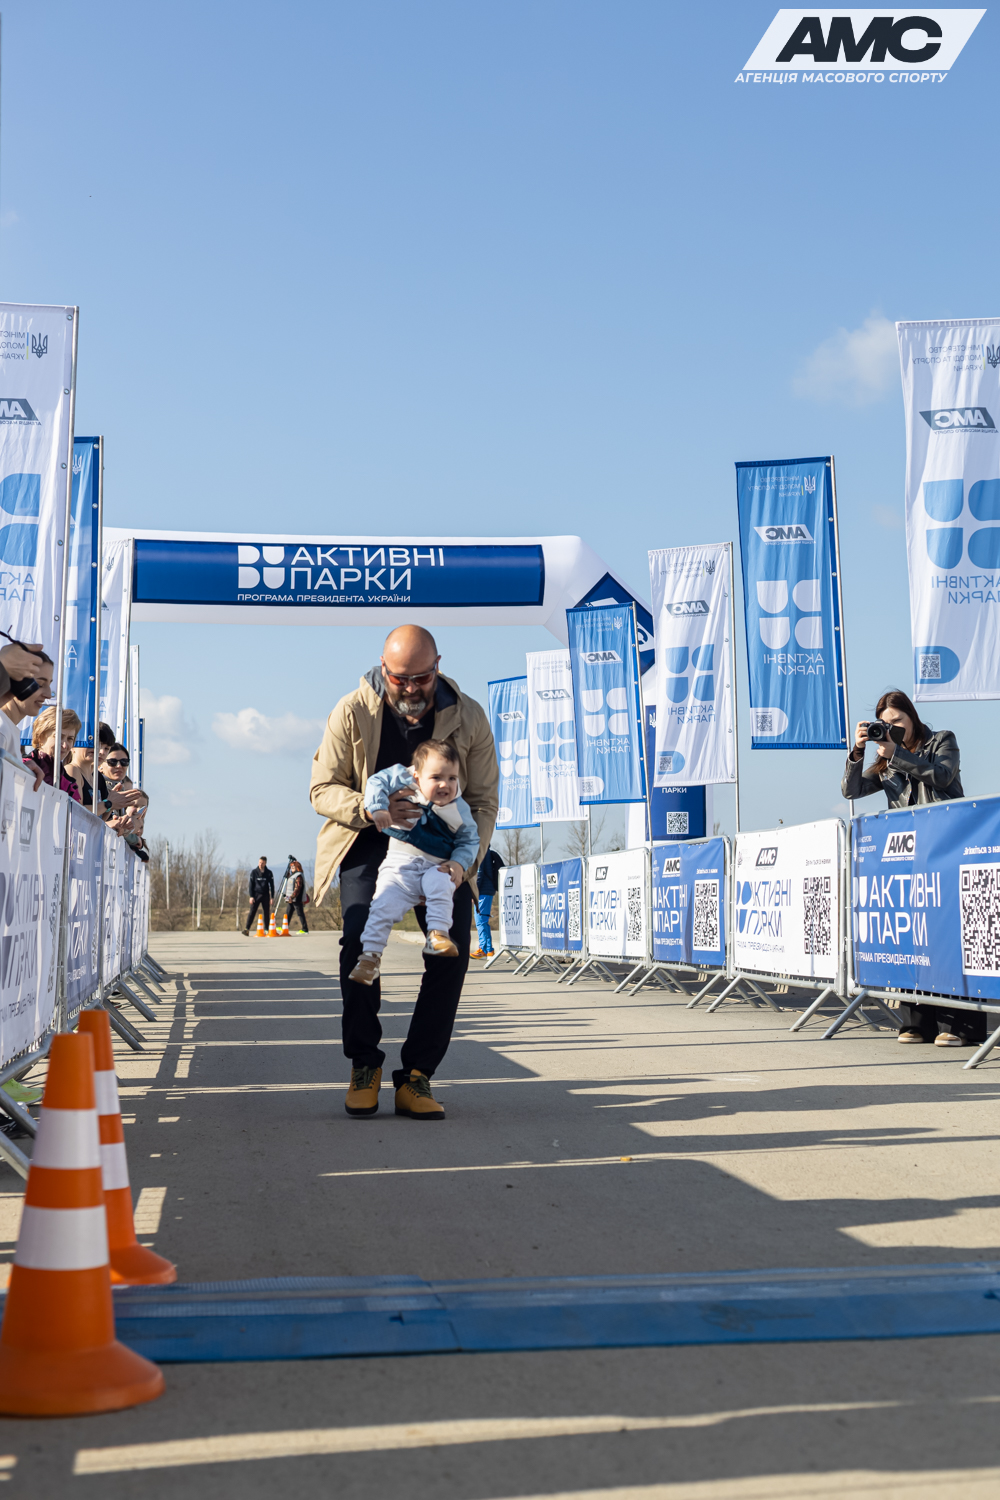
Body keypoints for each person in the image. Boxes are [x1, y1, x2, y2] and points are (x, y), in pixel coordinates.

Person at [309, 624, 498, 1122]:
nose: (411, 689)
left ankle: (417, 1075)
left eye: (422, 677)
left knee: (451, 949)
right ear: (383, 669)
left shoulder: (470, 716)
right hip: (369, 841)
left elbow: (483, 801)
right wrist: (372, 809)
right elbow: (322, 788)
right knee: (358, 939)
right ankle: (363, 1065)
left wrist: (463, 862)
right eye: (400, 679)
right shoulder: (351, 710)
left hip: (441, 851)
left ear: (438, 666)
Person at [843, 688, 980, 1049]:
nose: (892, 728)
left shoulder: (941, 740)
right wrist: (857, 753)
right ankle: (916, 1021)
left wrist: (898, 755)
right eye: (884, 723)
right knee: (913, 935)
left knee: (948, 934)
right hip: (908, 857)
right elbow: (851, 791)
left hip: (947, 847)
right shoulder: (885, 758)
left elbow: (943, 778)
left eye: (898, 720)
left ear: (912, 717)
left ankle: (960, 1024)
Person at [349, 740, 481, 991]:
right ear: (416, 775)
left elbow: (469, 839)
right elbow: (376, 781)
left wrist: (458, 863)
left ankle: (438, 935)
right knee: (382, 906)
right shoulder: (402, 779)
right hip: (400, 865)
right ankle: (369, 957)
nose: (445, 785)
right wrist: (377, 808)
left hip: (435, 866)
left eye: (452, 778)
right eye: (436, 777)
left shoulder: (459, 808)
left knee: (443, 884)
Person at [24, 707, 84, 800]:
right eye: (59, 736)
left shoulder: (70, 784)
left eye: (70, 739)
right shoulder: (24, 765)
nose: (65, 745)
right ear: (40, 737)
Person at [471, 844, 504, 958]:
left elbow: (479, 873)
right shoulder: (485, 851)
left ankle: (483, 949)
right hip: (487, 890)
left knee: (480, 921)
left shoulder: (480, 851)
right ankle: (489, 949)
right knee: (483, 920)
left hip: (483, 891)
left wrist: (474, 891)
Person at [243, 856, 274, 935]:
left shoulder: (269, 873)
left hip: (265, 895)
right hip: (256, 895)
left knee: (266, 912)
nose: (260, 864)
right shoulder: (254, 872)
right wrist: (251, 896)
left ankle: (266, 929)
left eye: (262, 863)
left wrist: (272, 897)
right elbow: (251, 885)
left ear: (265, 863)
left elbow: (272, 885)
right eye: (260, 862)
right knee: (252, 912)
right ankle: (247, 929)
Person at [284, 858, 309, 934]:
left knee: (300, 913)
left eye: (293, 866)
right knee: (288, 913)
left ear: (297, 867)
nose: (292, 868)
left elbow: (298, 888)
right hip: (291, 898)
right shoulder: (293, 875)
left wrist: (292, 896)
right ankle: (285, 926)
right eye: (291, 867)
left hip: (296, 898)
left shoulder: (298, 876)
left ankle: (305, 929)